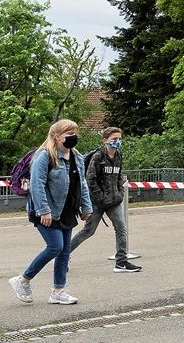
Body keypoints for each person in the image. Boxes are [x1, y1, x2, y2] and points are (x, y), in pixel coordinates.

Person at [9, 120, 93, 306]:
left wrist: (86, 207)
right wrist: (44, 211)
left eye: (75, 132)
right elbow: (36, 186)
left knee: (64, 250)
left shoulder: (77, 157)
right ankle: (22, 280)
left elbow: (82, 183)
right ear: (57, 136)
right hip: (46, 210)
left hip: (67, 210)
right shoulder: (44, 156)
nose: (74, 136)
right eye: (69, 133)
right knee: (55, 247)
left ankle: (58, 291)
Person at [69, 127, 141, 273]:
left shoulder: (119, 155)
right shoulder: (98, 156)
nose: (117, 142)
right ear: (105, 140)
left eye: (119, 139)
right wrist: (99, 197)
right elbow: (90, 179)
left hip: (114, 201)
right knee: (88, 231)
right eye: (114, 139)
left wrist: (120, 193)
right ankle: (63, 256)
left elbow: (119, 175)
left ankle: (121, 262)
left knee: (121, 228)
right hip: (98, 202)